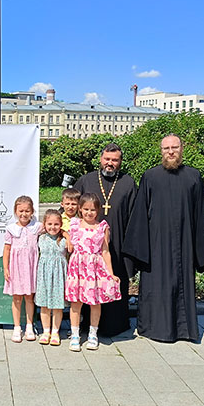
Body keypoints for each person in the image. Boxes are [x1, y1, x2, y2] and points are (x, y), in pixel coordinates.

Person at [123, 134, 204, 343]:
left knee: (182, 284)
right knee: (156, 285)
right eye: (166, 148)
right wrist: (139, 251)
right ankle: (153, 328)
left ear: (182, 149)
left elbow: (200, 214)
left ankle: (184, 330)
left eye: (174, 147)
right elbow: (140, 214)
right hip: (156, 244)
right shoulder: (150, 176)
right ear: (161, 151)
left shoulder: (193, 176)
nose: (170, 152)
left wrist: (200, 250)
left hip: (185, 242)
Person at [72, 143, 137, 337]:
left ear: (120, 161)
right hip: (87, 251)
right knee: (88, 287)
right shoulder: (86, 180)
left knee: (113, 281)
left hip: (116, 247)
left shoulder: (128, 183)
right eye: (107, 159)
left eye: (114, 160)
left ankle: (114, 326)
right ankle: (86, 327)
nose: (110, 163)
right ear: (101, 159)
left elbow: (136, 216)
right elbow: (70, 208)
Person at [66, 193, 120, 352]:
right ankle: (75, 333)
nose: (89, 213)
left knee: (95, 302)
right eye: (85, 209)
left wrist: (111, 273)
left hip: (94, 269)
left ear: (98, 211)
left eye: (92, 210)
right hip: (77, 268)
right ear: (80, 209)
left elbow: (105, 251)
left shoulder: (102, 227)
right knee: (76, 302)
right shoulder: (74, 224)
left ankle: (93, 333)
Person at [3, 195, 42, 343]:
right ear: (15, 211)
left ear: (32, 211)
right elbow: (6, 250)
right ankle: (17, 327)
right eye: (21, 211)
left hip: (31, 267)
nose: (24, 214)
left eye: (27, 211)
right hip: (16, 267)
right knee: (17, 298)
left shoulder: (36, 227)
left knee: (29, 298)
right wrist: (6, 268)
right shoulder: (11, 229)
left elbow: (54, 226)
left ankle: (30, 326)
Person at [36, 209, 68, 347]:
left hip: (59, 275)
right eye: (49, 224)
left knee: (57, 305)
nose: (52, 227)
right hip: (43, 275)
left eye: (56, 224)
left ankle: (55, 332)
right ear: (44, 224)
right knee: (44, 305)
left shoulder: (65, 240)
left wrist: (67, 234)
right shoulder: (40, 237)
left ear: (60, 225)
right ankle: (46, 331)